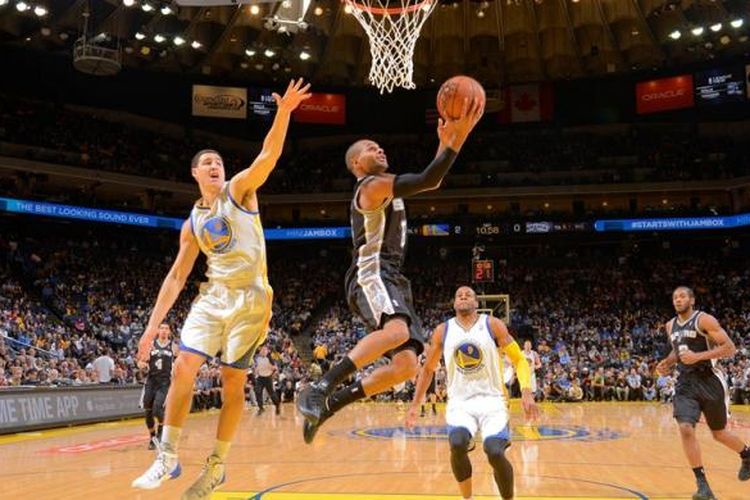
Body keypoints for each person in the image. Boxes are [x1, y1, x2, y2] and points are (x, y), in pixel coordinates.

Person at [131, 79, 311, 498]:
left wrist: (283, 113)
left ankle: (216, 467)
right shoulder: (191, 223)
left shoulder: (239, 191)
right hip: (213, 297)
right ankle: (168, 456)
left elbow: (268, 155)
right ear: (194, 173)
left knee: (233, 383)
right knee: (182, 368)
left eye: (218, 161)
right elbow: (176, 277)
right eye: (207, 162)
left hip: (251, 299)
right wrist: (149, 327)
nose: (215, 165)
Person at [297, 97, 484, 443]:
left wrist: (444, 145)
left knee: (407, 367)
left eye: (380, 146)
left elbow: (432, 180)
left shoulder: (386, 185)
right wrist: (456, 140)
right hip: (372, 272)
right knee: (397, 332)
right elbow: (429, 179)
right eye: (371, 148)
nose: (379, 149)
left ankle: (331, 404)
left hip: (394, 277)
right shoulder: (370, 186)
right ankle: (320, 386)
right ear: (356, 162)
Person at [406, 286, 539, 500]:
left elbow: (519, 360)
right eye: (459, 295)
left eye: (468, 294)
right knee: (457, 444)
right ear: (454, 303)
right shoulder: (443, 330)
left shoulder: (492, 325)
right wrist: (414, 405)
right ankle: (467, 498)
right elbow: (428, 369)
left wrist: (526, 391)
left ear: (476, 303)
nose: (464, 296)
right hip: (460, 402)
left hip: (493, 400)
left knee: (494, 452)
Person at [655, 286, 750, 500]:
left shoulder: (704, 320)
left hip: (710, 380)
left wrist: (698, 356)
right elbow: (677, 350)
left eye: (682, 296)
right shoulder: (670, 326)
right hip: (685, 383)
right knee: (686, 428)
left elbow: (730, 348)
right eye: (675, 297)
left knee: (719, 434)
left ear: (692, 300)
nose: (678, 300)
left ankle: (747, 454)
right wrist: (667, 363)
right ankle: (703, 485)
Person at [139, 323, 177, 450]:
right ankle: (152, 437)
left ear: (169, 332)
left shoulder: (174, 346)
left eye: (167, 328)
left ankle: (161, 430)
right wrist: (141, 364)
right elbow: (140, 360)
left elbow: (181, 361)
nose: (164, 331)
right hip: (151, 380)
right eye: (162, 328)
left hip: (165, 382)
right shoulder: (150, 345)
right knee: (148, 410)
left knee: (157, 408)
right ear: (157, 331)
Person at [253, 345, 280, 415]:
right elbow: (256, 367)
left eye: (265, 350)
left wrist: (270, 367)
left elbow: (275, 368)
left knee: (272, 394)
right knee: (257, 391)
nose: (263, 351)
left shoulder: (270, 358)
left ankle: (277, 405)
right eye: (262, 350)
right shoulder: (257, 358)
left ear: (267, 351)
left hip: (268, 377)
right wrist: (256, 371)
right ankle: (261, 408)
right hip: (260, 377)